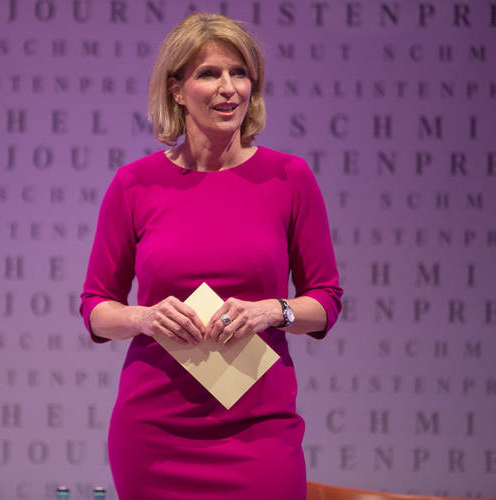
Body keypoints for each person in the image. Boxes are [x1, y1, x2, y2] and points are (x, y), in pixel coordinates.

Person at [80, 12, 343, 500]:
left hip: (258, 429)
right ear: (177, 90)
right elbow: (96, 308)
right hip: (154, 433)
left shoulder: (289, 178)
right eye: (209, 73)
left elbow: (325, 300)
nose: (229, 88)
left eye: (239, 73)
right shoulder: (134, 184)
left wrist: (273, 311)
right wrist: (143, 317)